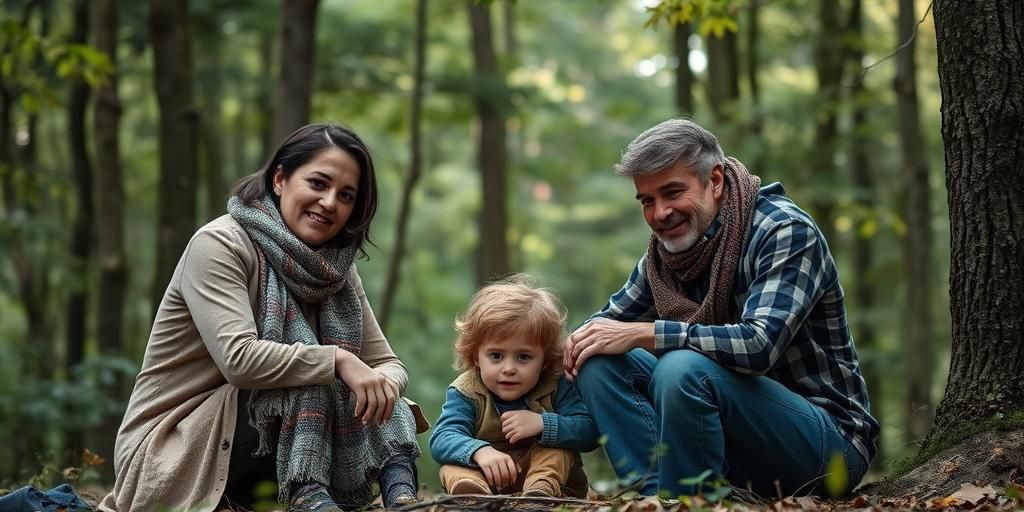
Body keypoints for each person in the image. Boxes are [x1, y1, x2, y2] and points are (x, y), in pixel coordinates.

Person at [98, 123, 426, 512]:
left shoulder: (336, 269)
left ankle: (401, 495)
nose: (329, 202)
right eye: (318, 183)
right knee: (314, 373)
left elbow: (387, 363)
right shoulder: (220, 245)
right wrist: (339, 361)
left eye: (346, 195)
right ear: (281, 179)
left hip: (256, 450)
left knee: (368, 387)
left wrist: (380, 385)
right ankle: (310, 499)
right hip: (173, 449)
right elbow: (240, 360)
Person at [563, 119, 879, 498]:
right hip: (734, 446)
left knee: (682, 367)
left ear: (714, 181)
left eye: (672, 192)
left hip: (827, 448)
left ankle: (685, 504)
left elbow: (759, 345)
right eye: (648, 200)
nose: (660, 213)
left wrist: (648, 334)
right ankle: (652, 500)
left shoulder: (783, 231)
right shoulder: (664, 258)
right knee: (597, 358)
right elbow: (601, 326)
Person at [429, 275, 600, 497]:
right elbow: (443, 437)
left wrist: (543, 424)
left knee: (558, 450)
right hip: (489, 478)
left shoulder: (556, 385)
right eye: (496, 356)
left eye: (523, 357)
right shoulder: (466, 391)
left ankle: (540, 492)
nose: (508, 368)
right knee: (451, 466)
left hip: (549, 480)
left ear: (545, 360)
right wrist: (479, 451)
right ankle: (472, 496)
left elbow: (589, 431)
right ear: (476, 357)